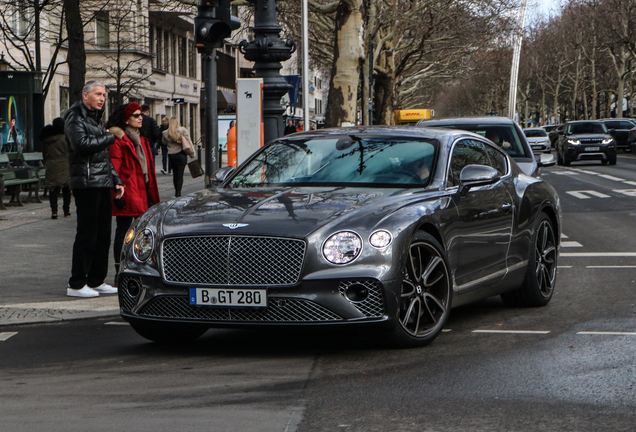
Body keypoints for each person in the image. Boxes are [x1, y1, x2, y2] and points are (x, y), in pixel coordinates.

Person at [65, 80, 123, 298]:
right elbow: (81, 145)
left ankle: (96, 280)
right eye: (98, 94)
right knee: (87, 234)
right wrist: (110, 136)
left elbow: (104, 158)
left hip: (101, 182)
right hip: (86, 183)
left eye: (104, 95)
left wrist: (115, 180)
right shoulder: (75, 117)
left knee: (103, 235)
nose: (102, 98)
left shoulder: (96, 119)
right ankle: (77, 283)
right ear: (85, 95)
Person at [106, 102, 160, 285]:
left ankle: (139, 269)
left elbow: (149, 171)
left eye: (141, 115)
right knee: (123, 231)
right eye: (136, 115)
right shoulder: (118, 140)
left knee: (143, 233)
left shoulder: (142, 139)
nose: (140, 117)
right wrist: (116, 194)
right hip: (127, 193)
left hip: (141, 192)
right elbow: (114, 169)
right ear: (126, 119)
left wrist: (153, 196)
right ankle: (119, 271)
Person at [39, 117, 71, 219]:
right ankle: (66, 211)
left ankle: (54, 211)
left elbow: (44, 153)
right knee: (66, 188)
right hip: (64, 164)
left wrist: (47, 162)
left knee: (53, 188)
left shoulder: (46, 138)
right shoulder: (64, 137)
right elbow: (69, 151)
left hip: (51, 164)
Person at [162, 116, 193, 197]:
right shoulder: (182, 130)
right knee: (180, 174)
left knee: (175, 174)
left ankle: (176, 191)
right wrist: (192, 154)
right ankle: (178, 192)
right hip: (181, 154)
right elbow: (188, 142)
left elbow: (164, 142)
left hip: (172, 155)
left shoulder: (166, 133)